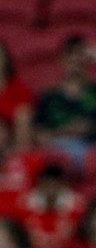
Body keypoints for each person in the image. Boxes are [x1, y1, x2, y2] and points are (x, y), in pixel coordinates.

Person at [35, 34, 96, 166]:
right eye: (70, 57)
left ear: (87, 61)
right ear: (62, 60)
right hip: (59, 147)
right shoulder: (50, 95)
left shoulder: (93, 91)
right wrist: (68, 131)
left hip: (91, 149)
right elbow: (40, 134)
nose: (75, 63)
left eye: (79, 58)